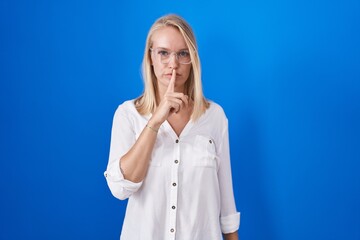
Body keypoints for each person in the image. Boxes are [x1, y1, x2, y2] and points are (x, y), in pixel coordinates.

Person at [104, 14, 240, 240]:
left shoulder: (214, 117)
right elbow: (120, 189)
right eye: (164, 53)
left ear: (193, 59)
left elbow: (226, 202)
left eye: (183, 53)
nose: (173, 64)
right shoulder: (128, 115)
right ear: (150, 57)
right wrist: (154, 122)